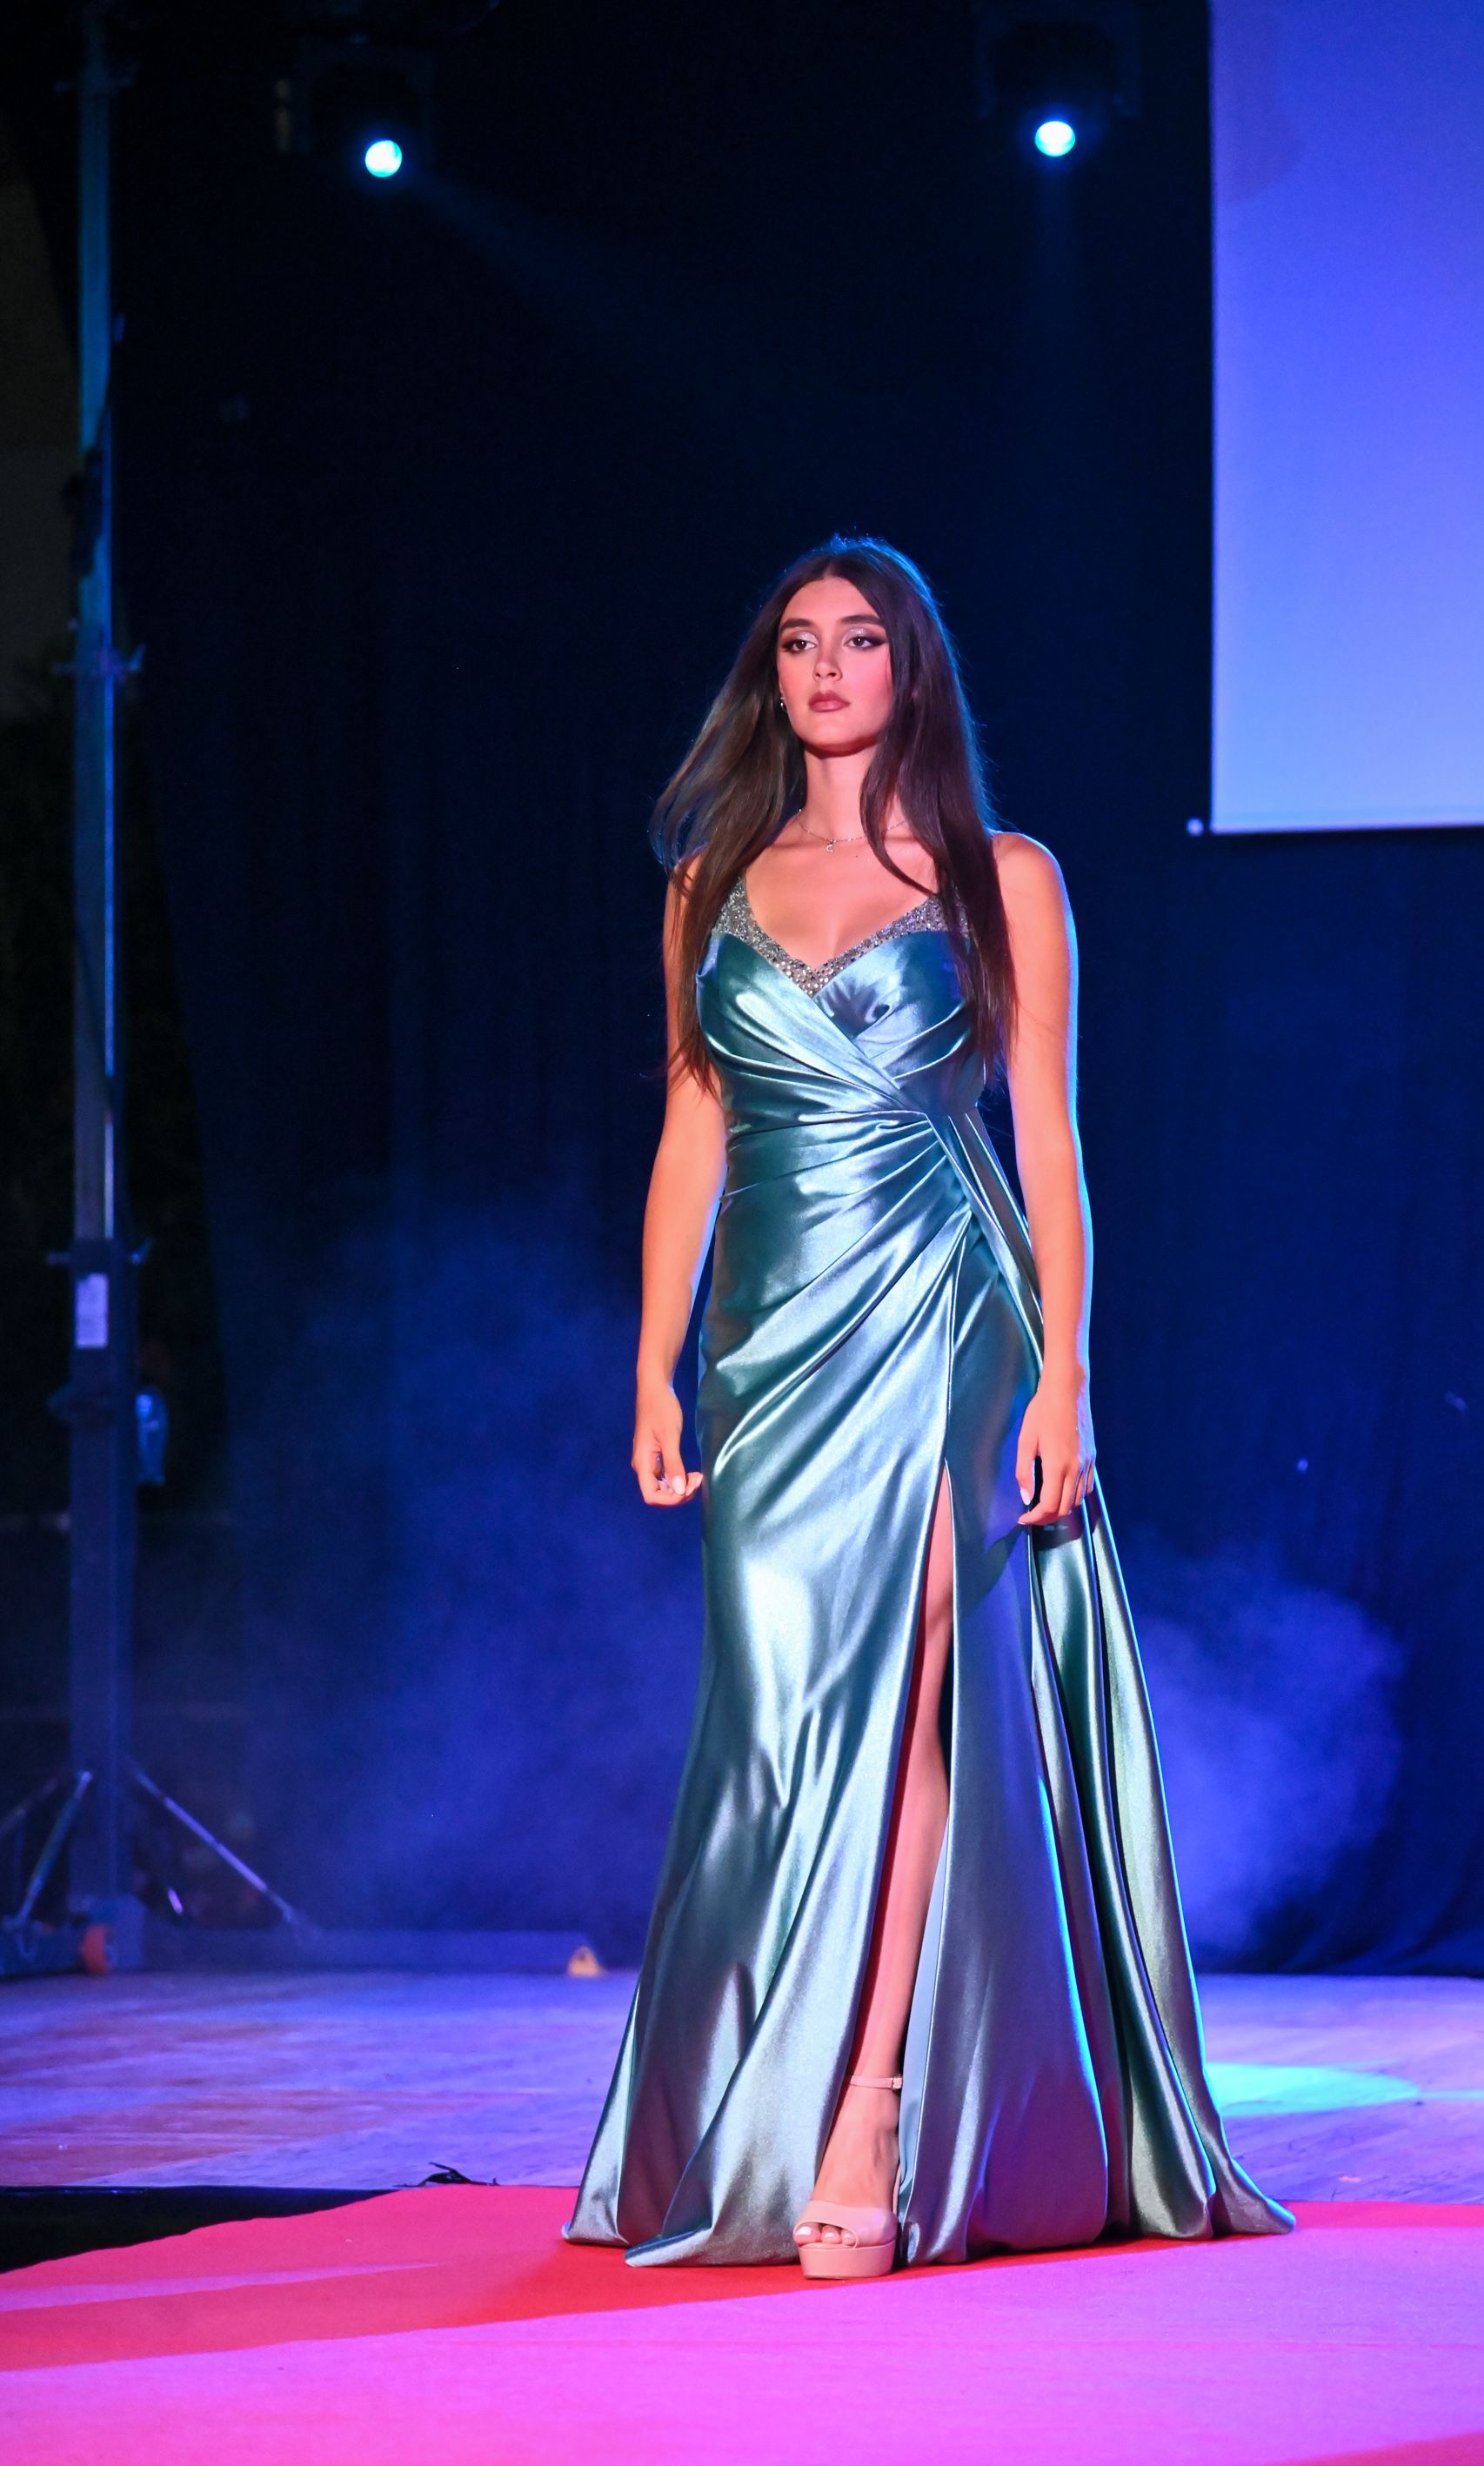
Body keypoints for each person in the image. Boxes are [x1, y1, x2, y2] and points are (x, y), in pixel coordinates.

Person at [566, 537, 1290, 2278]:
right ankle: (757, 2092)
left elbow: (1047, 1140)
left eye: (860, 638)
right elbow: (691, 1131)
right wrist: (654, 1358)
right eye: (797, 640)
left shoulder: (1000, 874)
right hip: (769, 1337)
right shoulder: (708, 882)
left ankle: (872, 2101)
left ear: (912, 668)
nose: (824, 665)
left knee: (908, 1702)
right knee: (779, 1717)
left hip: (947, 1310)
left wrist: (1065, 1373)